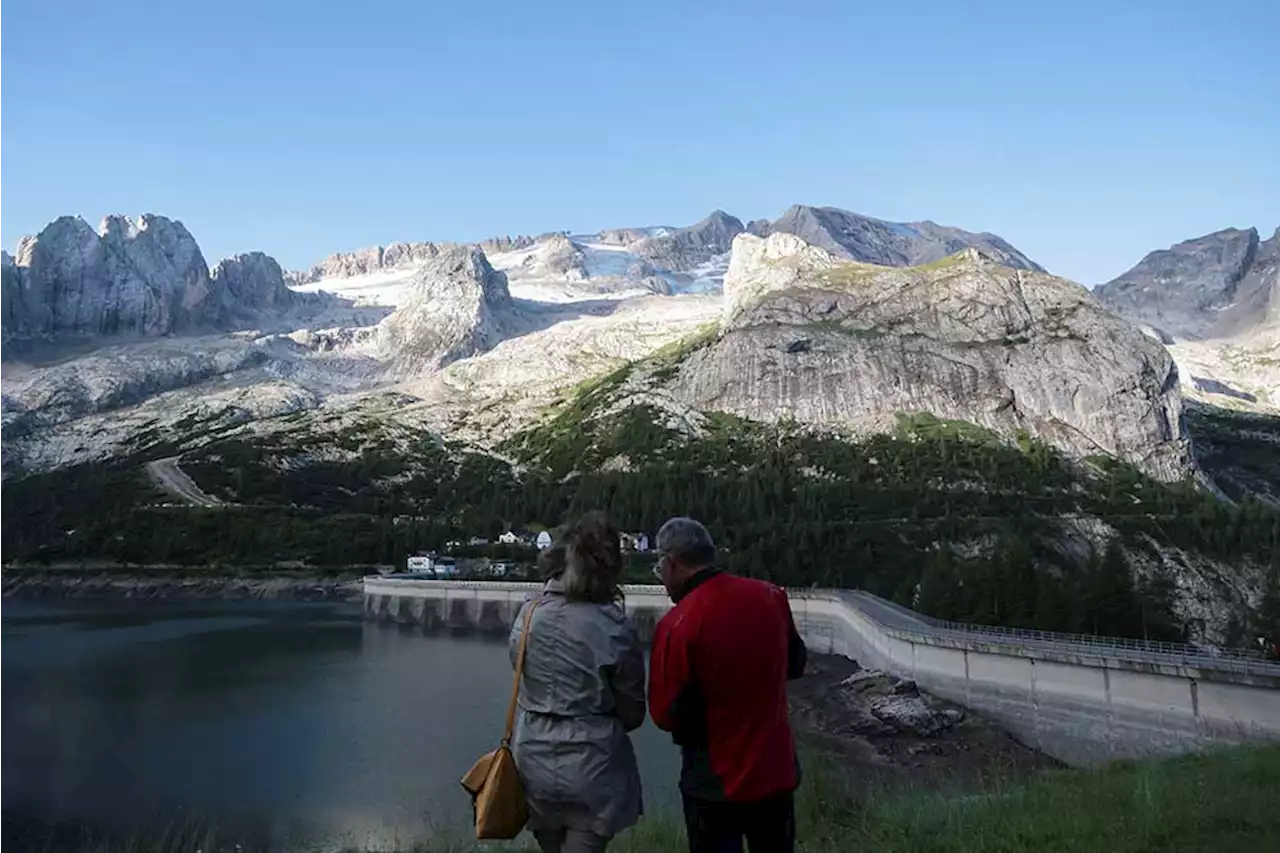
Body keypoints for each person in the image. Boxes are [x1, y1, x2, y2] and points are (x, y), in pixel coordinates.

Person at [649, 517, 807, 853]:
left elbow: (665, 714)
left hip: (716, 784)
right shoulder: (771, 596)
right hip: (776, 771)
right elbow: (795, 664)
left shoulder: (678, 624)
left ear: (671, 563)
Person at [509, 512, 646, 853]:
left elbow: (519, 667)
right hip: (593, 764)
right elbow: (632, 713)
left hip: (533, 758)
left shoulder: (529, 615)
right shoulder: (614, 626)